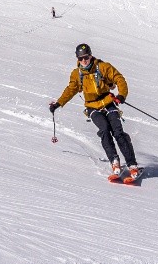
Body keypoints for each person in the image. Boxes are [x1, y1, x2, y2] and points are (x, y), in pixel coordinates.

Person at [50, 43, 140, 181]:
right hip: (92, 107)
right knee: (104, 130)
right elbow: (71, 89)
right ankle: (114, 162)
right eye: (80, 58)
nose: (84, 61)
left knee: (118, 131)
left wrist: (121, 95)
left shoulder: (103, 67)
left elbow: (119, 78)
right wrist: (58, 103)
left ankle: (132, 164)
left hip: (108, 103)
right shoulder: (77, 74)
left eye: (86, 57)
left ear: (90, 55)